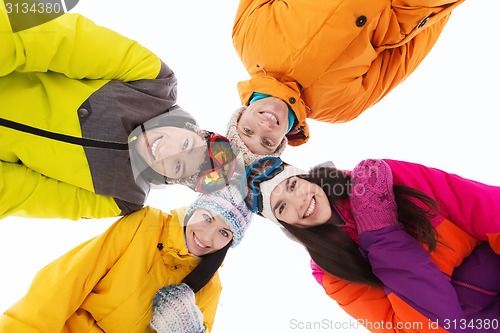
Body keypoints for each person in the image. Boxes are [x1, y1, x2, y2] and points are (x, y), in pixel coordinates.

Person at [0, 2, 237, 220]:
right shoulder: (151, 81)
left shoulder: (122, 197)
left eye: (177, 167)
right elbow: (53, 38)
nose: (165, 152)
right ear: (189, 128)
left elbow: (21, 194)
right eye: (185, 144)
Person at [244, 157, 499, 332]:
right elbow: (427, 327)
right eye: (282, 207)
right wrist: (381, 234)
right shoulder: (330, 272)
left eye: (293, 185)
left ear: (306, 178)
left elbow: (480, 205)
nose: (298, 201)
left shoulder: (378, 178)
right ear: (283, 223)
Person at [227, 0, 465, 165]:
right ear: (281, 143)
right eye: (267, 142)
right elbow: (402, 58)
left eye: (248, 130)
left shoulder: (245, 38)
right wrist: (436, 8)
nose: (263, 128)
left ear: (240, 115)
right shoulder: (339, 108)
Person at [0, 184, 253, 333]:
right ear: (195, 209)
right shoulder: (146, 224)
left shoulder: (209, 287)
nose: (207, 237)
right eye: (207, 217)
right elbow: (70, 280)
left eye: (224, 232)